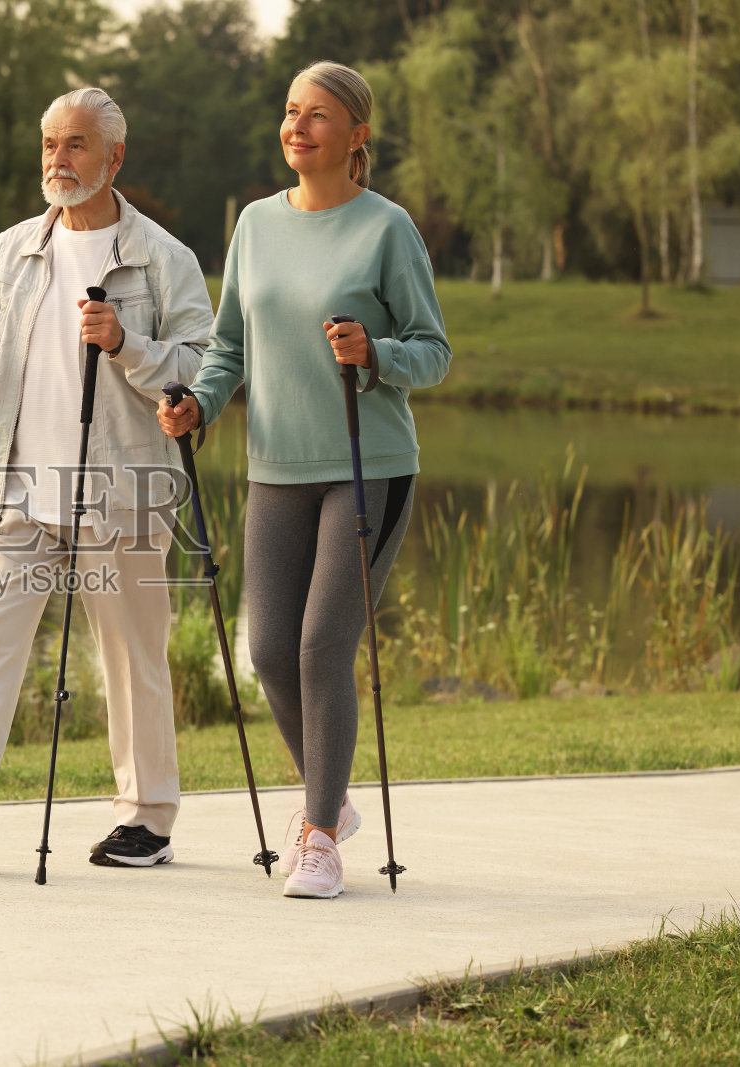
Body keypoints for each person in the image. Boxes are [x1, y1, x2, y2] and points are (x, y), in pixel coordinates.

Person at [0, 87, 215, 870]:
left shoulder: (165, 258)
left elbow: (203, 366)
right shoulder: (13, 252)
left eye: (74, 146)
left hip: (127, 490)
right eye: (49, 146)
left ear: (114, 158)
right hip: (20, 489)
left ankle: (148, 818)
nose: (57, 161)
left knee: (133, 657)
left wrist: (129, 342)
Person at [157, 61, 451, 899]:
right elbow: (229, 349)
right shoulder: (255, 224)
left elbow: (433, 350)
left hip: (370, 464)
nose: (298, 127)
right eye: (290, 112)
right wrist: (199, 406)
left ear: (356, 135)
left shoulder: (388, 229)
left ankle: (319, 832)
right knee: (266, 650)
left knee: (324, 645)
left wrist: (377, 353)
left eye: (318, 116)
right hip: (276, 466)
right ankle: (333, 794)